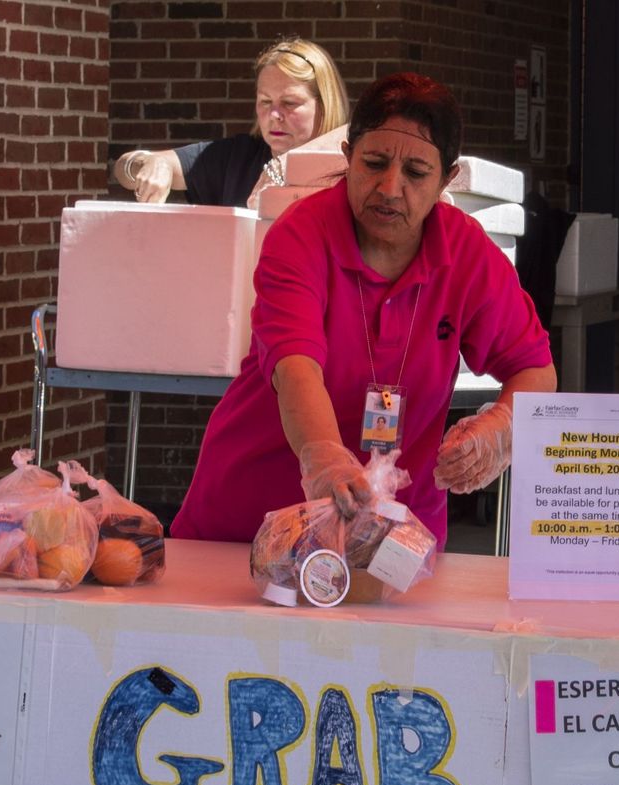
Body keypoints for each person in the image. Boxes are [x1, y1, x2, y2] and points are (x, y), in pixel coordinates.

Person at [171, 72, 557, 548]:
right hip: (257, 519)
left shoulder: (465, 252)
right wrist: (323, 456)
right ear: (348, 156)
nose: (390, 188)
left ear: (446, 179)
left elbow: (535, 369)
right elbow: (296, 367)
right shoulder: (301, 235)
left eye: (416, 173)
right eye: (374, 163)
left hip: (396, 536)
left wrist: (502, 427)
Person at [112, 38, 349, 208]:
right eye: (265, 101)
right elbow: (124, 168)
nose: (275, 114)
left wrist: (288, 164)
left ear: (325, 104)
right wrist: (153, 164)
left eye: (289, 102)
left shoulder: (354, 161)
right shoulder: (237, 158)